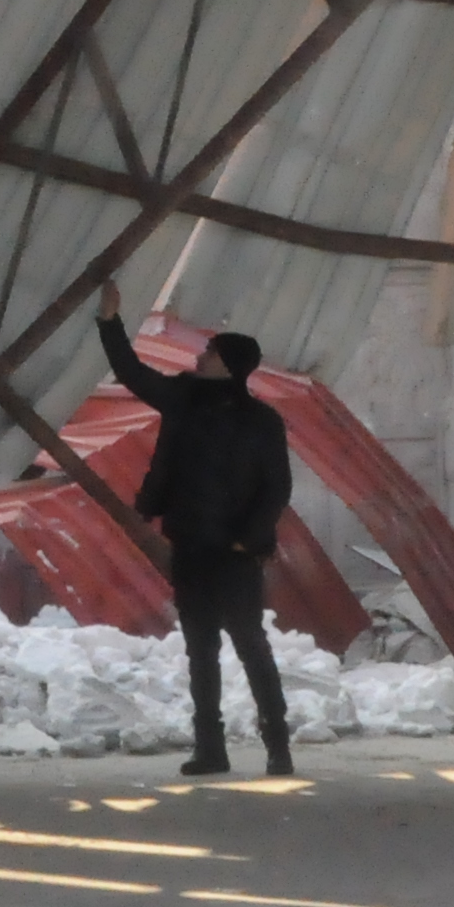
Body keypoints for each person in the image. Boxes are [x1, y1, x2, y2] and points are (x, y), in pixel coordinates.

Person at [97, 279, 294, 779]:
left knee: (251, 645)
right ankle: (211, 748)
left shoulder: (262, 421)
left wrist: (247, 540)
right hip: (191, 546)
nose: (200, 357)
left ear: (230, 363)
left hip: (235, 554)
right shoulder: (183, 398)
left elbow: (277, 488)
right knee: (200, 651)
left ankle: (278, 745)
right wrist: (110, 322)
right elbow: (131, 373)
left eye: (210, 351)